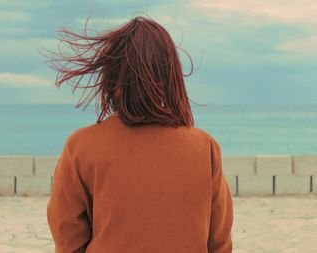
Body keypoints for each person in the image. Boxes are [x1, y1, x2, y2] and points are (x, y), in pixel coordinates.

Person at [44, 15, 233, 253]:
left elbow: (67, 236)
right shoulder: (204, 147)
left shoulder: (82, 146)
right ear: (169, 77)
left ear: (112, 78)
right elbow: (219, 242)